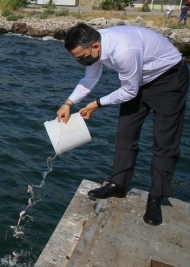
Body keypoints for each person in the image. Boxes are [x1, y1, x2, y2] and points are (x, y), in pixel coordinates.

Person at [57, 23, 188, 226]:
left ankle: (156, 198)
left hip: (168, 80)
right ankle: (118, 184)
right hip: (138, 80)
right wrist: (68, 103)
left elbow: (129, 92)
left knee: (164, 141)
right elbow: (91, 78)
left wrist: (97, 104)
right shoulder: (96, 46)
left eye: (81, 57)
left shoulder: (124, 51)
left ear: (95, 46)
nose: (80, 61)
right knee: (125, 132)